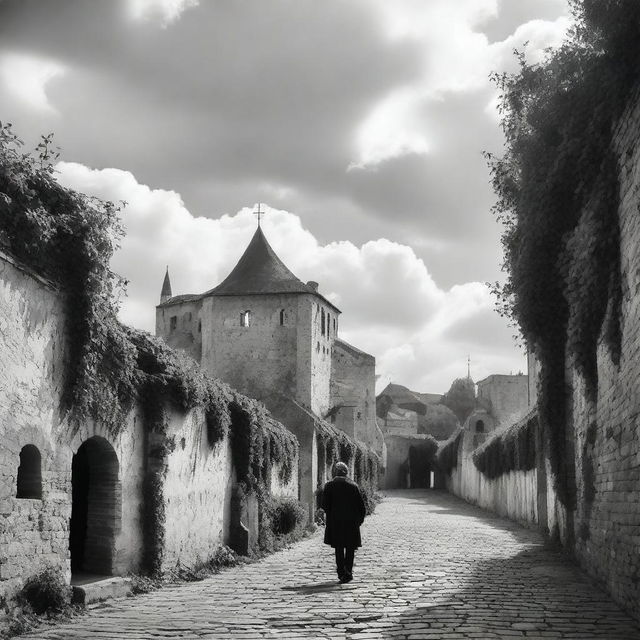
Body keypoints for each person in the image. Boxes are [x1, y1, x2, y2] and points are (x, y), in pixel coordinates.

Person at [321, 461, 366, 583]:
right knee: (350, 548)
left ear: (335, 472)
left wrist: (331, 516)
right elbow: (362, 508)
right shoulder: (353, 486)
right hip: (351, 523)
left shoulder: (329, 486)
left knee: (339, 548)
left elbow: (325, 505)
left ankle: (341, 572)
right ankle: (348, 572)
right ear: (346, 473)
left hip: (336, 523)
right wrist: (358, 521)